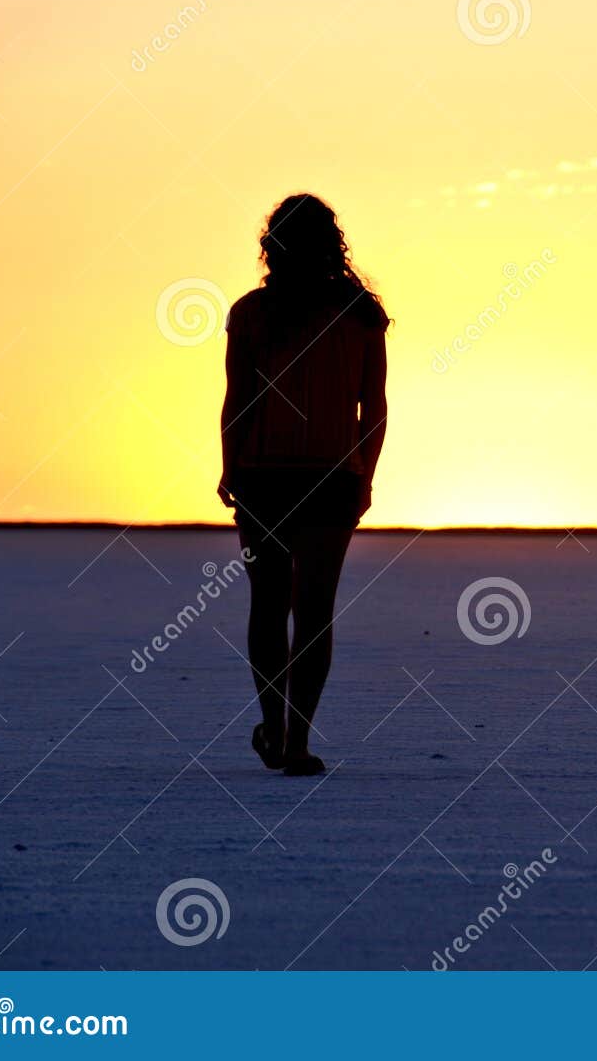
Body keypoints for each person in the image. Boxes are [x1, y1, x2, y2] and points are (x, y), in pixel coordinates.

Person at [217, 194, 389, 776]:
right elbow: (376, 407)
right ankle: (295, 739)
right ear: (332, 242)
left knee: (269, 605)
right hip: (333, 477)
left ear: (272, 243)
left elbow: (238, 401)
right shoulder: (361, 313)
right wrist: (365, 470)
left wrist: (228, 464)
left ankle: (275, 725)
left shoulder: (251, 313)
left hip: (266, 476)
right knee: (313, 610)